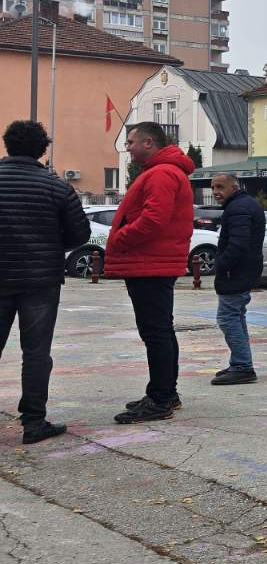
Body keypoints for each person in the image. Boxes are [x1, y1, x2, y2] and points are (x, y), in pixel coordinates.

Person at [0, 120, 90, 443]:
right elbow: (81, 234)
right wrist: (51, 244)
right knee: (36, 353)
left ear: (8, 144)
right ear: (42, 149)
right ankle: (33, 422)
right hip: (41, 281)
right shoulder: (56, 186)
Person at [106, 122, 196, 424]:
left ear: (148, 142)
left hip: (150, 263)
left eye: (131, 142)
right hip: (152, 262)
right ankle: (164, 392)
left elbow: (153, 219)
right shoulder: (164, 171)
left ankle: (161, 398)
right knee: (159, 330)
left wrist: (119, 238)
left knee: (156, 332)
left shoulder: (161, 173)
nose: (127, 147)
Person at [209, 173, 265, 385]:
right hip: (244, 271)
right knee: (236, 317)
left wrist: (222, 264)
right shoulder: (242, 205)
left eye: (220, 187)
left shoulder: (238, 208)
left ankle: (242, 366)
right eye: (213, 187)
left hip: (237, 272)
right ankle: (240, 362)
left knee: (227, 318)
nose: (215, 192)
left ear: (234, 187)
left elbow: (238, 245)